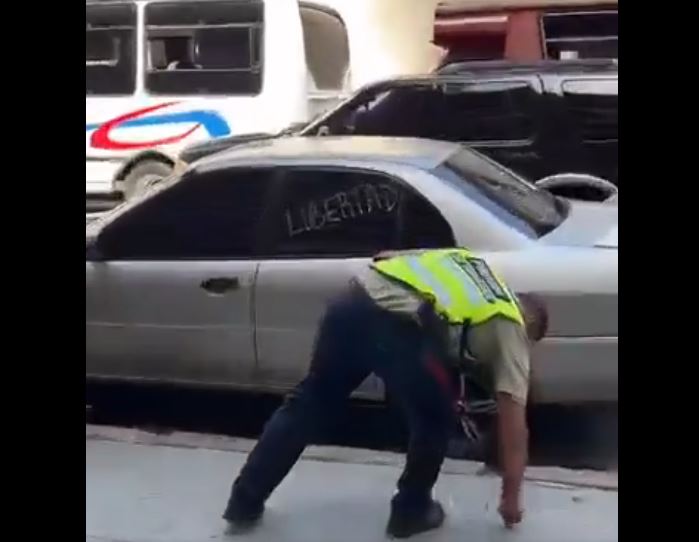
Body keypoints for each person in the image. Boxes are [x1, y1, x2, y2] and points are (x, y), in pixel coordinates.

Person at [222, 248, 548, 538]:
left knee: (310, 403)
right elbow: (514, 425)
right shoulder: (512, 326)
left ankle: (244, 501)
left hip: (354, 300)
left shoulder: (473, 265)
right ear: (530, 326)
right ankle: (411, 510)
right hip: (399, 328)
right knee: (434, 418)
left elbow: (387, 257)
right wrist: (510, 498)